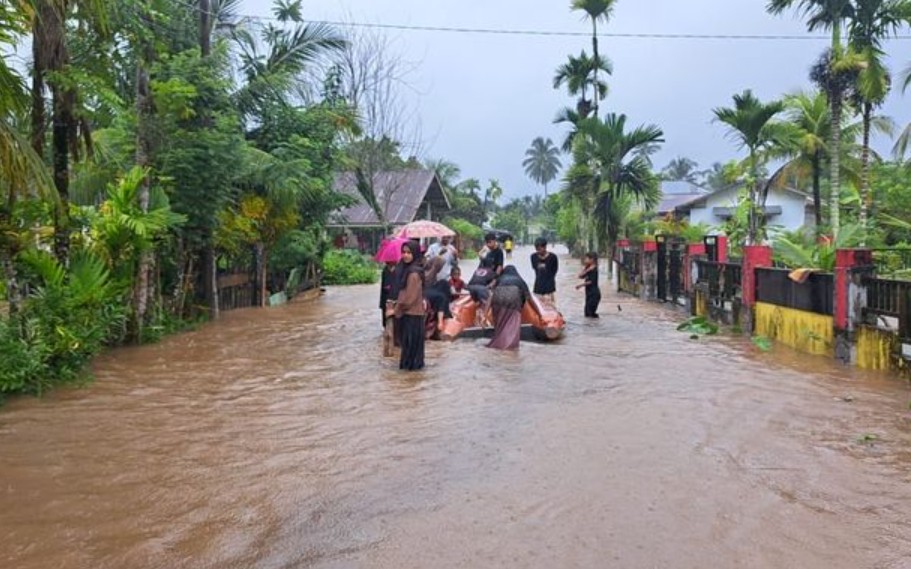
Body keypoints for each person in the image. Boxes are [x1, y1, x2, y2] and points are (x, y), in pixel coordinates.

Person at [394, 240, 425, 370]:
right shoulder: (408, 270)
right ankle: (411, 377)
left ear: (415, 254)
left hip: (412, 314)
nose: (405, 255)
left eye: (409, 253)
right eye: (403, 252)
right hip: (412, 314)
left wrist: (396, 310)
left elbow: (410, 298)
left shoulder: (413, 273)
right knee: (410, 347)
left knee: (410, 346)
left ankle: (410, 373)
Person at [488, 265, 534, 350]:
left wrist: (485, 312)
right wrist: (539, 314)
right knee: (512, 323)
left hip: (497, 298)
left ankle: (498, 344)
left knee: (500, 323)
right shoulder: (520, 281)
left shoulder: (499, 279)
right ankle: (508, 347)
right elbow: (529, 298)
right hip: (513, 298)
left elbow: (491, 296)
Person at [530, 237, 558, 302]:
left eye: (540, 249)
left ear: (545, 247)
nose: (538, 251)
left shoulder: (553, 257)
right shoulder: (533, 256)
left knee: (550, 307)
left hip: (549, 288)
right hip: (538, 287)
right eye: (536, 249)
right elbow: (535, 268)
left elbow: (555, 270)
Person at [575, 251, 601, 318]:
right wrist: (587, 269)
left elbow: (590, 282)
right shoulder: (588, 268)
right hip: (589, 294)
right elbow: (580, 276)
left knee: (590, 314)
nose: (584, 260)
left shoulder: (594, 269)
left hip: (594, 294)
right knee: (587, 314)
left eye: (586, 258)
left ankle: (594, 327)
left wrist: (580, 285)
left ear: (591, 259)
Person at [379, 261, 398, 328]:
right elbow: (383, 285)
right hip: (386, 297)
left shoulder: (399, 269)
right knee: (387, 322)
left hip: (396, 297)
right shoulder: (385, 270)